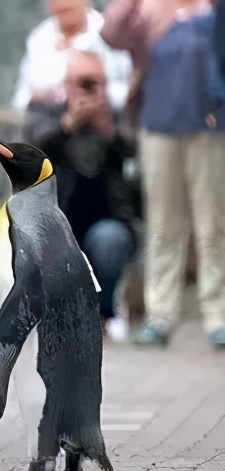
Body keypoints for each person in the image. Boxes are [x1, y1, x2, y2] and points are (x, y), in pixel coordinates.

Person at [101, 0, 225, 348]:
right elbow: (111, 32)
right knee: (163, 225)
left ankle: (217, 314)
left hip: (210, 128)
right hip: (158, 126)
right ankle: (160, 314)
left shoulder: (215, 7)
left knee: (213, 224)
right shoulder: (152, 8)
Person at [31, 51, 140, 339]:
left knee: (110, 240)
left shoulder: (116, 116)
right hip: (57, 221)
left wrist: (109, 131)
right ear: (67, 84)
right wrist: (67, 125)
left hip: (107, 223)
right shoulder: (46, 112)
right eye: (83, 82)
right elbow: (30, 153)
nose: (90, 90)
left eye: (95, 82)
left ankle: (104, 312)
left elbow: (137, 150)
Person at [12, 0, 132, 122]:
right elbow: (22, 97)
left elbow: (128, 88)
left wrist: (92, 95)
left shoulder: (107, 32)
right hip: (47, 129)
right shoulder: (39, 39)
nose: (64, 3)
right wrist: (44, 97)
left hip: (104, 125)